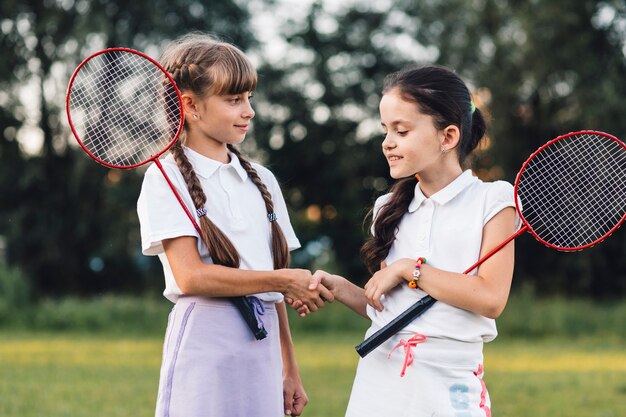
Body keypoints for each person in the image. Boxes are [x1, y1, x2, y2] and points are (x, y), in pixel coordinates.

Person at [299, 65, 519, 417]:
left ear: (448, 137)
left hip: (451, 381)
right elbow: (392, 311)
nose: (387, 142)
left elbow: (490, 299)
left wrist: (408, 269)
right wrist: (340, 287)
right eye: (385, 130)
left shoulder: (493, 200)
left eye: (401, 131)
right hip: (381, 381)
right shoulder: (388, 208)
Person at [137, 33, 332, 417]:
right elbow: (192, 277)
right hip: (205, 343)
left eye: (249, 98)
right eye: (233, 100)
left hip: (262, 348)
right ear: (190, 105)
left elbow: (274, 291)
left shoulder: (263, 180)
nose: (249, 111)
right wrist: (281, 280)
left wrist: (290, 368)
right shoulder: (165, 177)